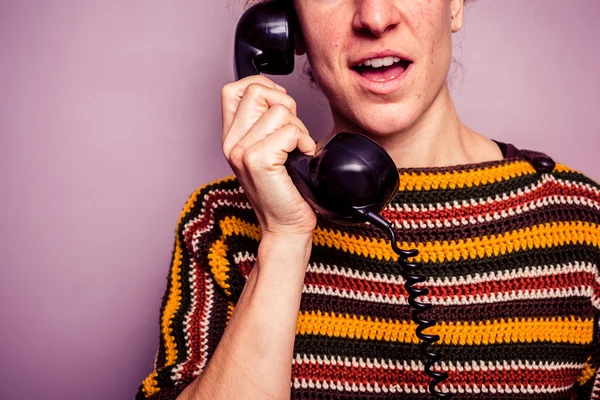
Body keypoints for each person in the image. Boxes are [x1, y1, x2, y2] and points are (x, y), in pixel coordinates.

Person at [136, 0, 600, 399]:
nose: (375, 18)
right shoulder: (221, 223)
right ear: (287, 26)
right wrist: (283, 239)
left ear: (454, 3)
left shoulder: (584, 222)